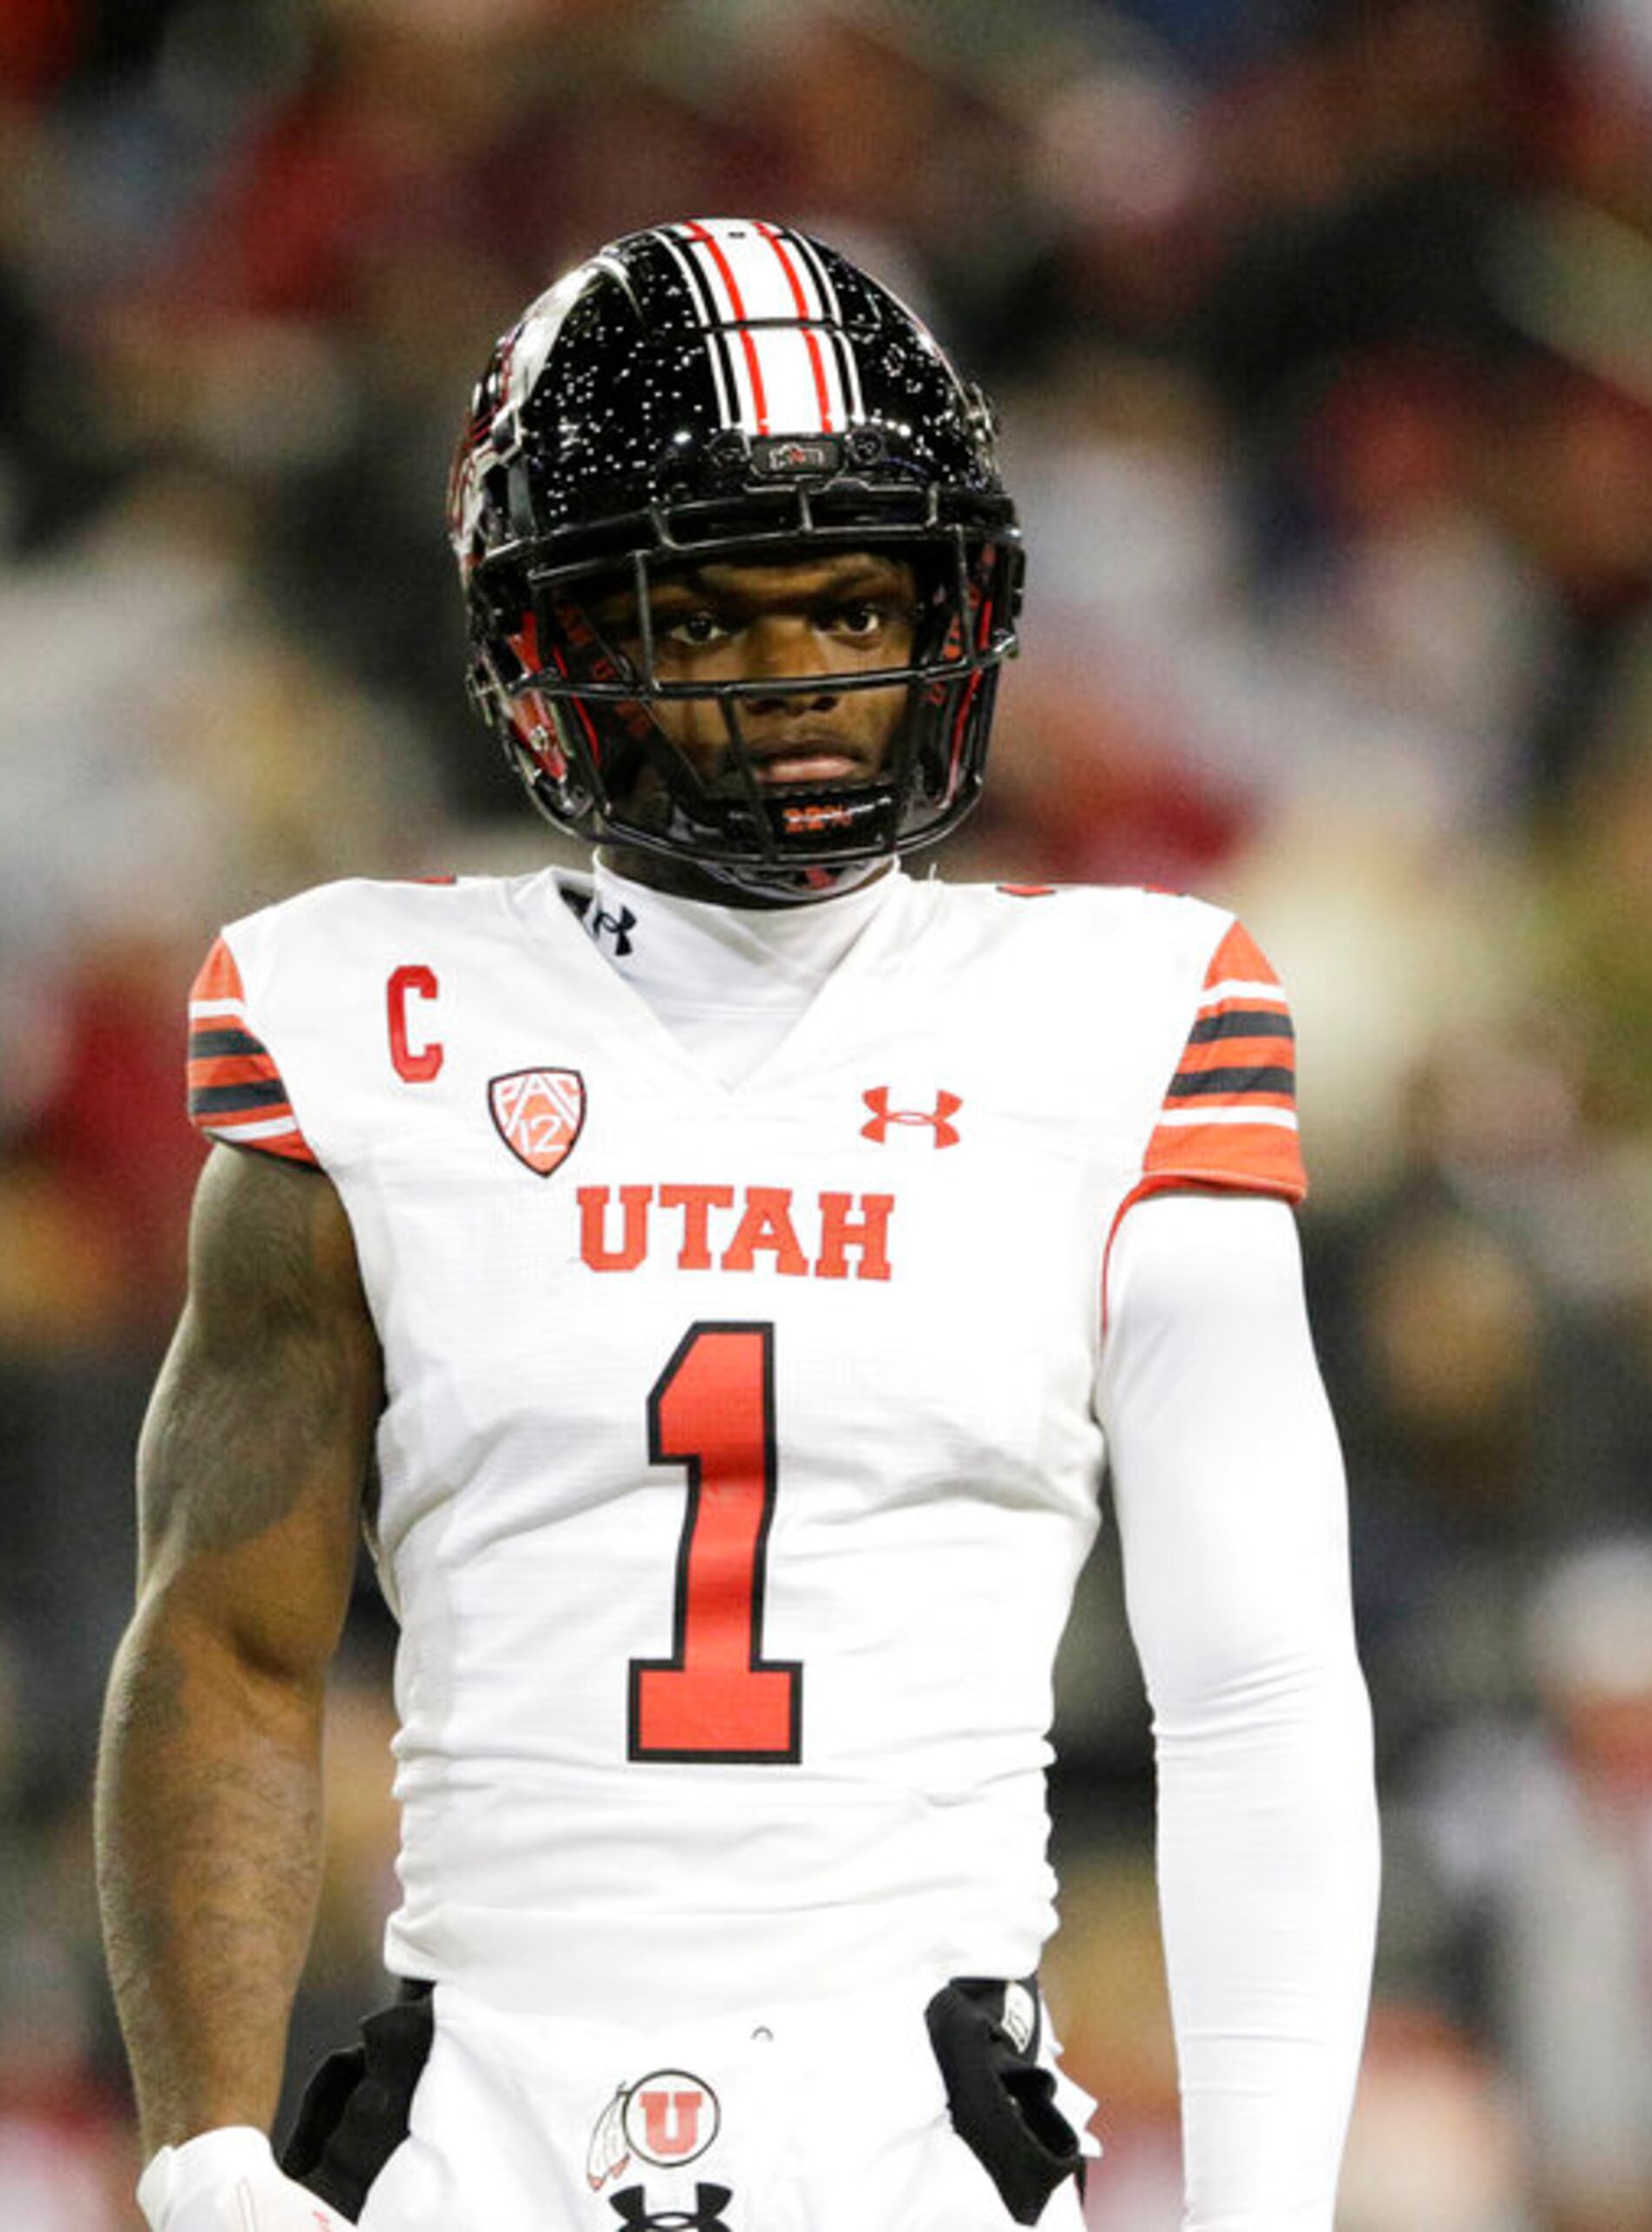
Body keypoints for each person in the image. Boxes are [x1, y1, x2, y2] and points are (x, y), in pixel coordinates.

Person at [96, 217, 1378, 2232]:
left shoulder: (1127, 1013)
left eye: (857, 602)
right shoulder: (367, 1019)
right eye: (710, 621)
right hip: (469, 2119)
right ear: (557, 640)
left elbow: (1259, 1683)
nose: (801, 682)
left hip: (921, 2124)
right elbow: (230, 1640)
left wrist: (1272, 2214)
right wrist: (203, 2156)